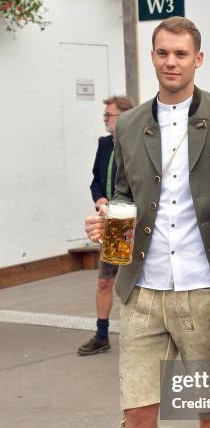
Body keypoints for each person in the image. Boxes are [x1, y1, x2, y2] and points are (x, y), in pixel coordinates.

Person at [85, 17, 210, 428]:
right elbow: (122, 194)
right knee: (138, 412)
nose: (171, 62)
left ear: (198, 59)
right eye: (163, 53)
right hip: (142, 291)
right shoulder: (127, 124)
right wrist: (108, 228)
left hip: (204, 289)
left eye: (181, 54)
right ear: (152, 56)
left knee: (209, 412)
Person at [78, 95, 134, 356]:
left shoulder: (138, 142)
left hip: (130, 221)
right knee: (104, 281)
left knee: (135, 284)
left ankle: (139, 337)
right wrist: (99, 197)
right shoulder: (104, 144)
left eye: (108, 115)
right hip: (109, 222)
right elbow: (95, 181)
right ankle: (102, 335)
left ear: (123, 117)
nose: (105, 119)